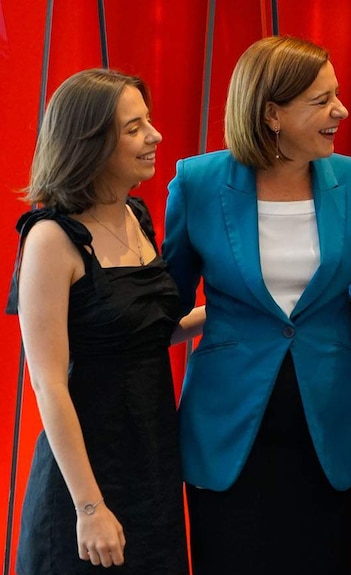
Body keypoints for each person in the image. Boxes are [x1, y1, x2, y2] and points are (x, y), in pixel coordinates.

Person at [161, 35, 351, 575]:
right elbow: (164, 301)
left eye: (338, 95)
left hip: (329, 425)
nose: (341, 110)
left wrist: (325, 327)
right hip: (227, 426)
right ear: (272, 114)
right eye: (322, 100)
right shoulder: (197, 181)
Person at [8, 68, 199, 574]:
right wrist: (89, 508)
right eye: (135, 127)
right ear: (88, 143)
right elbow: (48, 384)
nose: (154, 135)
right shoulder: (51, 238)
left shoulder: (137, 216)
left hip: (151, 462)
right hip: (85, 478)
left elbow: (140, 335)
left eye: (149, 121)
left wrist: (228, 310)